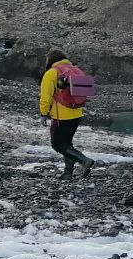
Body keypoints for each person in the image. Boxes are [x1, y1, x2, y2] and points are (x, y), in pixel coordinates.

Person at [40, 49, 95, 179]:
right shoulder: (75, 70)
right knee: (67, 143)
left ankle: (84, 161)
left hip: (61, 115)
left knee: (57, 144)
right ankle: (67, 173)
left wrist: (43, 113)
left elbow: (45, 96)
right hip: (77, 113)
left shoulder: (51, 73)